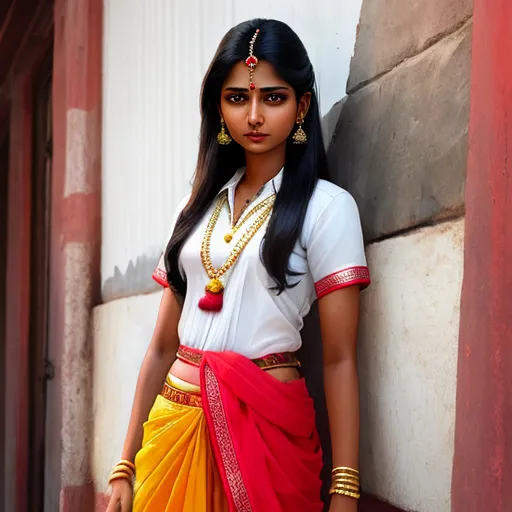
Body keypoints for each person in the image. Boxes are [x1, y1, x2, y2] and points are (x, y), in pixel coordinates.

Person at [106, 17, 370, 512]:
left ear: (302, 106)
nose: (253, 115)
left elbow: (338, 359)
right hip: (172, 433)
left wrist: (345, 489)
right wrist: (126, 463)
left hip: (267, 438)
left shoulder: (328, 208)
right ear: (218, 107)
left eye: (272, 98)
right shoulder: (194, 208)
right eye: (236, 98)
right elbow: (162, 345)